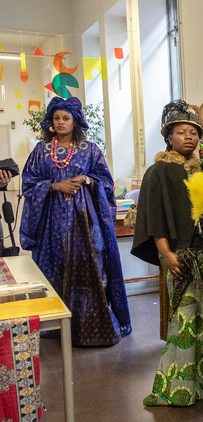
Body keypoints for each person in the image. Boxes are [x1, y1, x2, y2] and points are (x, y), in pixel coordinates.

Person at [131, 100, 203, 406]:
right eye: (182, 132)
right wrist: (165, 253)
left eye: (194, 133)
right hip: (177, 254)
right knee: (183, 319)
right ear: (169, 137)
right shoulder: (158, 171)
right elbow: (154, 216)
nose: (189, 137)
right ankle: (176, 387)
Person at [20, 96, 131, 346]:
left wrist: (87, 180)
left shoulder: (90, 150)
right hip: (50, 221)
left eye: (66, 118)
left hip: (84, 222)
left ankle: (89, 324)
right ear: (51, 121)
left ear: (75, 121)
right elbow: (28, 183)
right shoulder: (41, 151)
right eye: (56, 118)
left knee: (91, 268)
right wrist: (55, 185)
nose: (61, 122)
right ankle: (55, 325)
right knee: (54, 267)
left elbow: (106, 182)